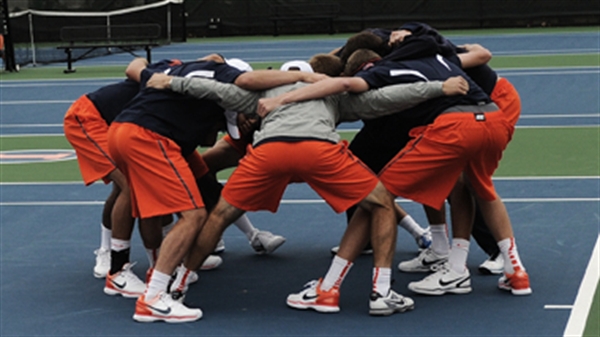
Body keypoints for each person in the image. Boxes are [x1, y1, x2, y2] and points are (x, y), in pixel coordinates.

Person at [145, 63, 468, 317]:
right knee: (381, 204)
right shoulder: (329, 93)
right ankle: (382, 293)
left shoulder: (265, 94)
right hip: (319, 151)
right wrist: (439, 87)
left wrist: (171, 82)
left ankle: (179, 287)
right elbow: (384, 99)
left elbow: (215, 90)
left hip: (269, 152)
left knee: (220, 215)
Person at [108, 55, 330, 323]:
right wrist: (303, 77)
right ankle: (153, 297)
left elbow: (134, 67)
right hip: (150, 136)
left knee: (150, 206)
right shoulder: (224, 77)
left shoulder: (178, 69)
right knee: (194, 215)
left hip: (121, 130)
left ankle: (154, 274)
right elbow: (246, 81)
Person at [299, 48, 532, 296]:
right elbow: (481, 55)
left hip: (453, 125)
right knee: (472, 185)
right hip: (492, 118)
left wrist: (284, 99)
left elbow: (347, 84)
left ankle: (331, 288)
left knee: (378, 197)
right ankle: (512, 272)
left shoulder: (380, 74)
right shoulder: (433, 56)